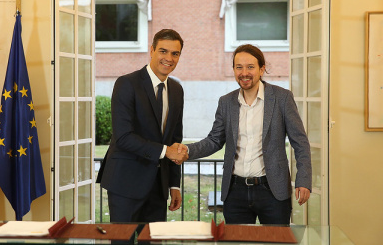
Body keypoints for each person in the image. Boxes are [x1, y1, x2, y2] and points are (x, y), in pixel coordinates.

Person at [178, 44, 311, 225]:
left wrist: (303, 179)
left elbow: (300, 142)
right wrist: (186, 150)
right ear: (233, 69)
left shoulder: (282, 98)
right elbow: (215, 140)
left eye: (250, 67)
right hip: (235, 192)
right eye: (239, 67)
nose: (244, 73)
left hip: (272, 190)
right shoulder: (226, 102)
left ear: (262, 69)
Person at [96, 29, 188, 225]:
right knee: (123, 242)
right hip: (125, 183)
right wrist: (165, 151)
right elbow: (123, 136)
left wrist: (174, 184)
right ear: (152, 50)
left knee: (153, 241)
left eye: (175, 53)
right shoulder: (127, 83)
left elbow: (175, 139)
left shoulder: (177, 90)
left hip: (158, 187)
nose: (169, 58)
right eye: (163, 51)